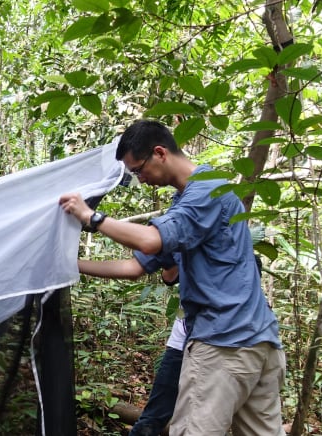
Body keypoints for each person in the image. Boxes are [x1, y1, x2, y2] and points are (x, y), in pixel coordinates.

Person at [59, 119, 285, 436]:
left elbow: (150, 240)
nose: (140, 179)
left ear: (160, 153)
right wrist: (69, 263)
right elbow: (134, 268)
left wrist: (91, 217)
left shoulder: (206, 191)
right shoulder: (187, 203)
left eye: (138, 170)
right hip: (257, 342)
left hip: (223, 343)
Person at [129, 267, 184, 436]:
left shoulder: (246, 257)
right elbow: (168, 277)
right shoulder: (186, 246)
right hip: (181, 345)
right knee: (155, 415)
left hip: (218, 345)